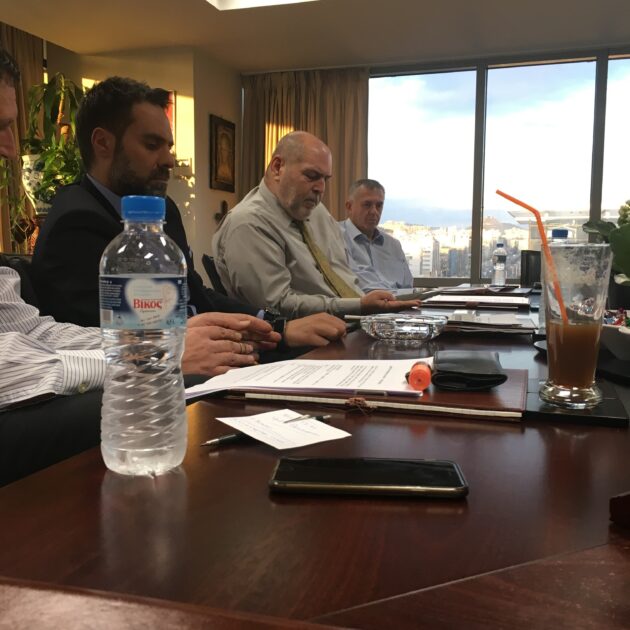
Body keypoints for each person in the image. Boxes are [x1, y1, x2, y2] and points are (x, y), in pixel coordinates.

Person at [32, 77, 346, 351]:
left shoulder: (164, 210)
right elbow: (117, 346)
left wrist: (277, 327)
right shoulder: (75, 224)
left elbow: (197, 295)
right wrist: (270, 336)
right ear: (103, 143)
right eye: (152, 145)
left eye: (168, 147)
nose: (169, 160)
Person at [212, 131, 420, 319]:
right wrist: (359, 306)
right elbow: (276, 306)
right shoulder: (248, 224)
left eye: (325, 179)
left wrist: (369, 310)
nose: (320, 188)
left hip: (357, 323)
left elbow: (344, 275)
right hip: (301, 340)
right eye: (311, 176)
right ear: (277, 167)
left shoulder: (317, 212)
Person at [339, 179, 413, 292]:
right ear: (349, 207)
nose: (374, 211)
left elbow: (408, 287)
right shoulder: (336, 235)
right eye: (367, 205)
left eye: (379, 205)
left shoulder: (394, 245)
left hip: (401, 302)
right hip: (359, 302)